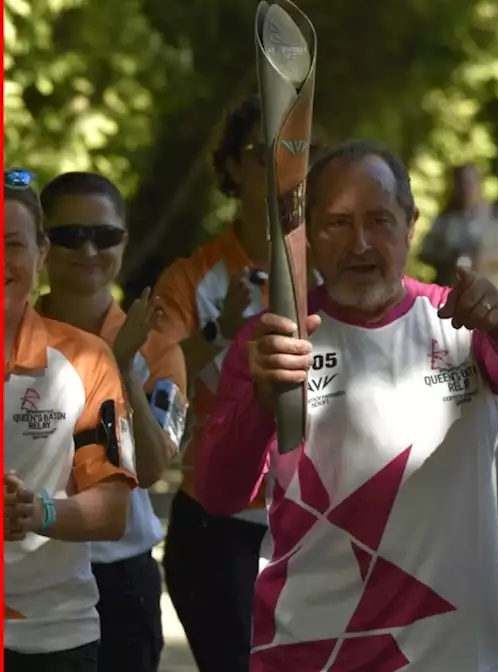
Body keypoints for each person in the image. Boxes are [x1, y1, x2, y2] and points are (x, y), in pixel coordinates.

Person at [194, 140, 498, 670]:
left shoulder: (459, 322)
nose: (359, 243)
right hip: (314, 651)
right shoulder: (275, 343)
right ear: (307, 236)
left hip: (458, 650)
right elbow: (219, 493)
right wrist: (261, 404)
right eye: (336, 223)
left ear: (410, 224)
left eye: (379, 221)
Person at [35, 172, 189, 672]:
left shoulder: (159, 345)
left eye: (104, 235)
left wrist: (119, 367)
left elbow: (151, 467)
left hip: (121, 579)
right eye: (69, 234)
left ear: (124, 242)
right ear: (41, 244)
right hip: (28, 572)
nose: (88, 249)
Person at [151, 95, 275, 671]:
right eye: (263, 153)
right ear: (230, 166)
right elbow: (159, 370)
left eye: (301, 150)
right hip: (216, 529)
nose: (283, 165)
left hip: (321, 522)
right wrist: (218, 332)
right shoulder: (192, 277)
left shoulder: (338, 262)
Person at [4, 168, 137, 672]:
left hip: (53, 638)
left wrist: (37, 514)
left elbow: (112, 510)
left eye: (13, 244)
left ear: (40, 254)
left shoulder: (88, 361)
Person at [417, 164, 498, 293]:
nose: (465, 188)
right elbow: (425, 252)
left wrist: (485, 258)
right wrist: (450, 257)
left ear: (479, 184)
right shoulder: (446, 219)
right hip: (453, 297)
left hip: (494, 297)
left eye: (470, 182)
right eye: (460, 183)